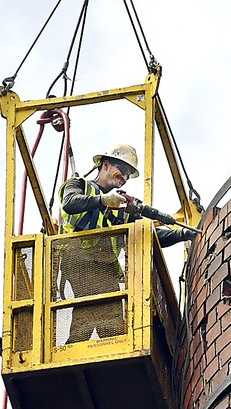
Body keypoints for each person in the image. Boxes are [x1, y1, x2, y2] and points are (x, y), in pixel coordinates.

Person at [57, 143, 191, 343]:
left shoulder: (121, 208)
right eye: (122, 171)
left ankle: (98, 352)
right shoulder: (79, 185)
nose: (124, 178)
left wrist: (183, 234)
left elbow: (151, 234)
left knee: (114, 323)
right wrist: (103, 200)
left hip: (105, 267)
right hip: (79, 258)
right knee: (94, 311)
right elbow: (70, 203)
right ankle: (75, 352)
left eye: (128, 174)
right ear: (106, 165)